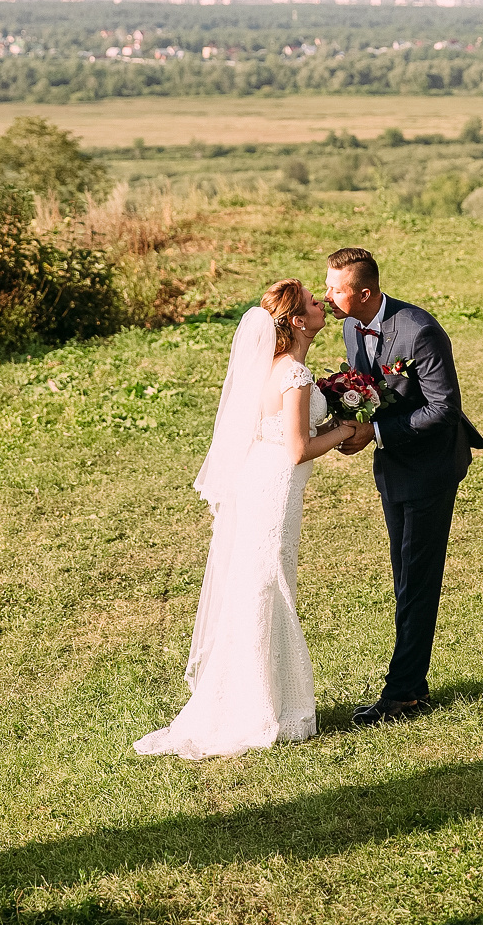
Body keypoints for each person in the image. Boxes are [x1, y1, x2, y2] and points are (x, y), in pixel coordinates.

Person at [133, 280, 355, 759]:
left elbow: (280, 431)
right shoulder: (293, 373)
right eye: (314, 304)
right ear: (297, 321)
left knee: (259, 584)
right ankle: (261, 709)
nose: (321, 305)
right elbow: (298, 449)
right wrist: (347, 429)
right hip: (274, 490)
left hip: (262, 482)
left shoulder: (272, 368)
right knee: (267, 585)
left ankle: (258, 699)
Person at [325, 246, 483, 726]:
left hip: (431, 466)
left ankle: (401, 695)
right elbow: (369, 391)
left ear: (366, 291)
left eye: (336, 288)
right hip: (393, 466)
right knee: (405, 575)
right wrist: (346, 423)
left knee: (415, 580)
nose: (328, 295)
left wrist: (372, 433)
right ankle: (413, 686)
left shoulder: (420, 330)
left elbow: (442, 408)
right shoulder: (350, 325)